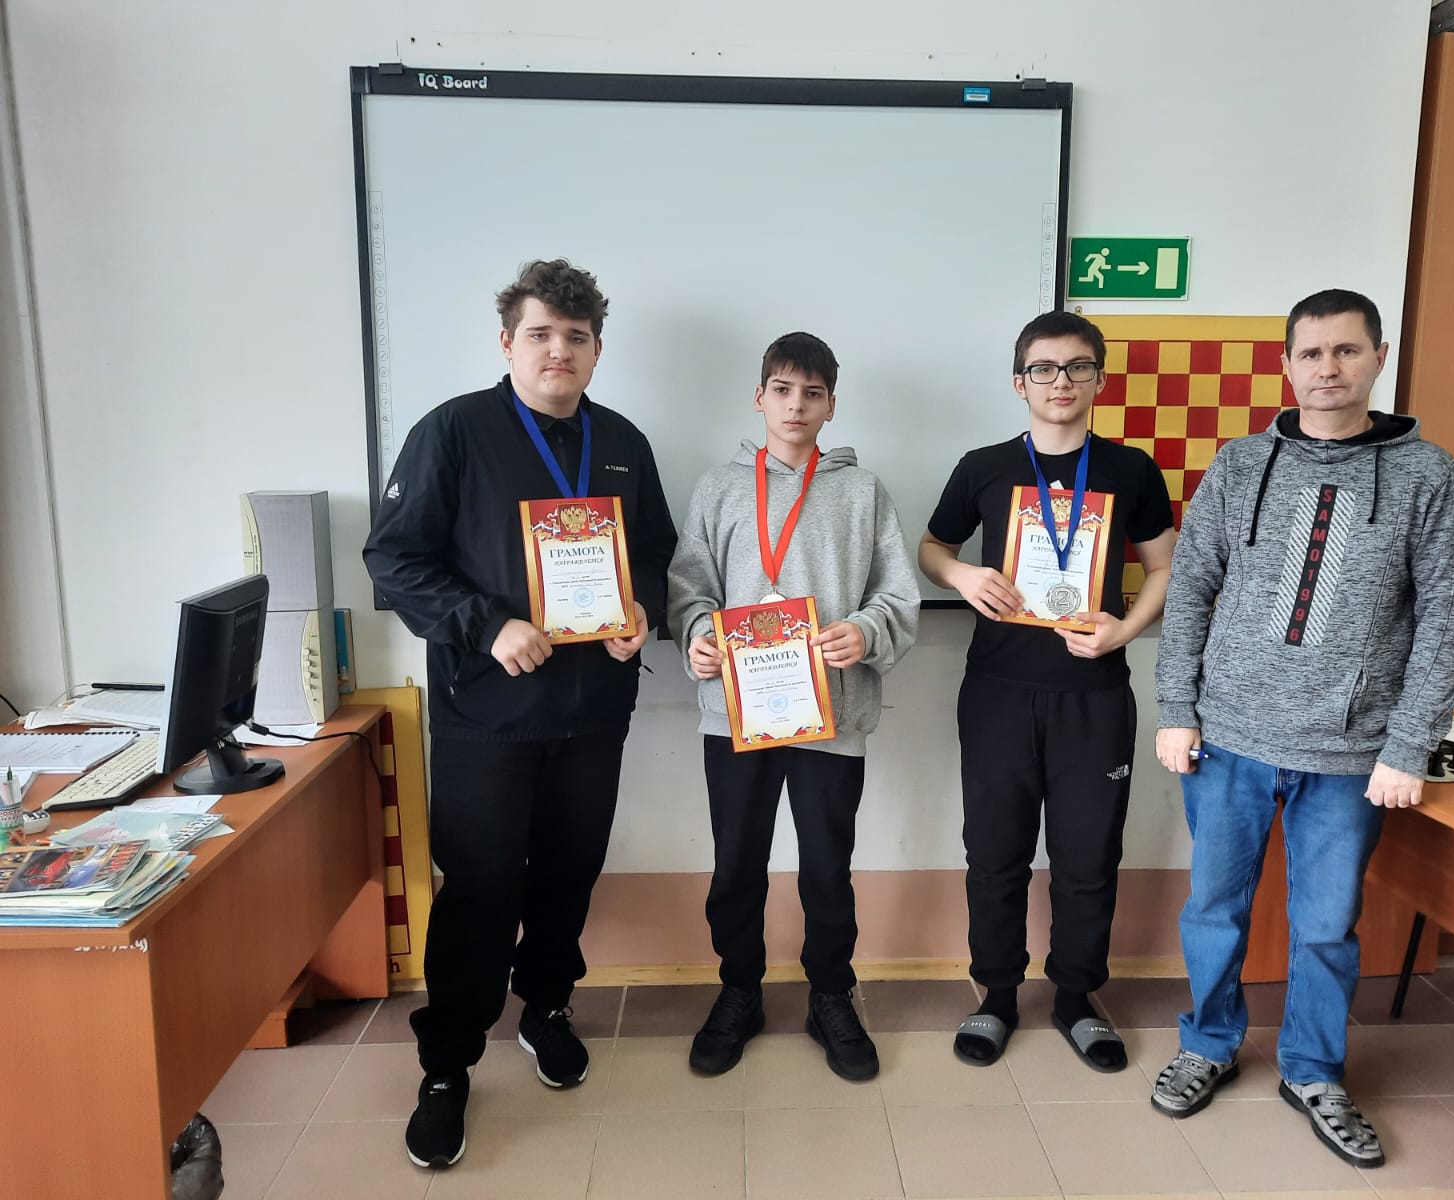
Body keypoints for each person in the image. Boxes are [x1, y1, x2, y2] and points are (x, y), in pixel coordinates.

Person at [1150, 288, 1454, 1168]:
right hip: (1227, 740)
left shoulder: (1427, 475)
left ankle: (1313, 1070)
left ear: (1378, 357)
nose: (1327, 368)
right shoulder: (1240, 462)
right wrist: (1177, 708)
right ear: (1286, 365)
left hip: (1351, 755)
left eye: (1346, 350)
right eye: (1311, 353)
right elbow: (1192, 587)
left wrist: (1408, 745)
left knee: (1327, 925)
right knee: (1214, 909)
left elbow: (1448, 619)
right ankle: (1207, 1044)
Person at [364, 259, 677, 1169]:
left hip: (593, 712)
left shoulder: (623, 441)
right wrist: (487, 624)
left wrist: (643, 612)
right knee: (480, 892)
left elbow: (658, 554)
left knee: (568, 876)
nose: (558, 351)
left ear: (597, 350)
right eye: (540, 334)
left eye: (576, 337)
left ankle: (545, 1008)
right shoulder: (454, 431)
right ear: (508, 343)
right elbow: (395, 559)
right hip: (486, 715)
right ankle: (447, 1065)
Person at [920, 310, 1176, 1071]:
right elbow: (932, 547)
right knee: (993, 853)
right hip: (998, 691)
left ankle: (1075, 998)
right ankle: (996, 995)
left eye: (1076, 367)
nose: (1060, 382)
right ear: (1019, 382)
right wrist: (963, 575)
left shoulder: (1131, 470)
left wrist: (1124, 631)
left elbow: (1166, 567)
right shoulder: (983, 466)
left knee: (1087, 856)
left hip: (1093, 694)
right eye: (1043, 368)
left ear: (1100, 378)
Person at [667, 331, 919, 1081]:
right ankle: (739, 990)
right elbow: (689, 586)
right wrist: (698, 635)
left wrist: (865, 631)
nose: (796, 405)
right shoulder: (718, 488)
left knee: (827, 866)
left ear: (831, 405)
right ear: (759, 396)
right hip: (735, 715)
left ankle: (830, 996)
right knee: (736, 863)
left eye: (813, 393)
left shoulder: (863, 492)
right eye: (782, 389)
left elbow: (897, 593)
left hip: (829, 714)